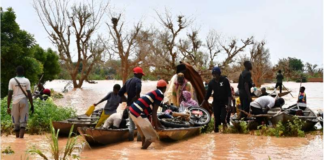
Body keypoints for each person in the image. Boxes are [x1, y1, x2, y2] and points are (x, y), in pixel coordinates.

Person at [129, 80, 167, 149]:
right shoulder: (160, 94)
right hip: (138, 112)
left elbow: (153, 114)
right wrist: (157, 127)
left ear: (157, 87)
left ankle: (142, 155)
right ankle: (143, 150)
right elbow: (154, 112)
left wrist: (160, 125)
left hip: (132, 111)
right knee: (153, 136)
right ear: (165, 88)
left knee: (144, 135)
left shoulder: (154, 93)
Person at [7, 66, 34, 138]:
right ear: (23, 72)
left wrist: (8, 106)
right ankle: (21, 139)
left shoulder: (11, 80)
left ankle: (17, 139)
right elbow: (29, 93)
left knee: (16, 121)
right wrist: (32, 105)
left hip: (15, 102)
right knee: (23, 121)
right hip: (24, 101)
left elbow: (9, 94)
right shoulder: (27, 80)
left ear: (16, 72)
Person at [202, 67, 232, 132]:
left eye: (216, 74)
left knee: (223, 118)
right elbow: (208, 94)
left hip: (225, 102)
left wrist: (229, 104)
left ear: (219, 74)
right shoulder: (211, 83)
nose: (215, 76)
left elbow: (229, 93)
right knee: (217, 119)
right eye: (213, 74)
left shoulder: (225, 80)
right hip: (216, 102)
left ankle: (225, 130)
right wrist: (203, 102)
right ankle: (216, 133)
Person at [118, 67, 144, 141]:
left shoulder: (128, 81)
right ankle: (139, 140)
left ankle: (130, 140)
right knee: (139, 123)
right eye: (141, 75)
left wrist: (125, 100)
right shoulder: (138, 80)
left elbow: (120, 92)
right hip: (137, 105)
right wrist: (137, 97)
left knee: (131, 124)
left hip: (129, 105)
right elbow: (138, 89)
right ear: (138, 74)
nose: (141, 76)